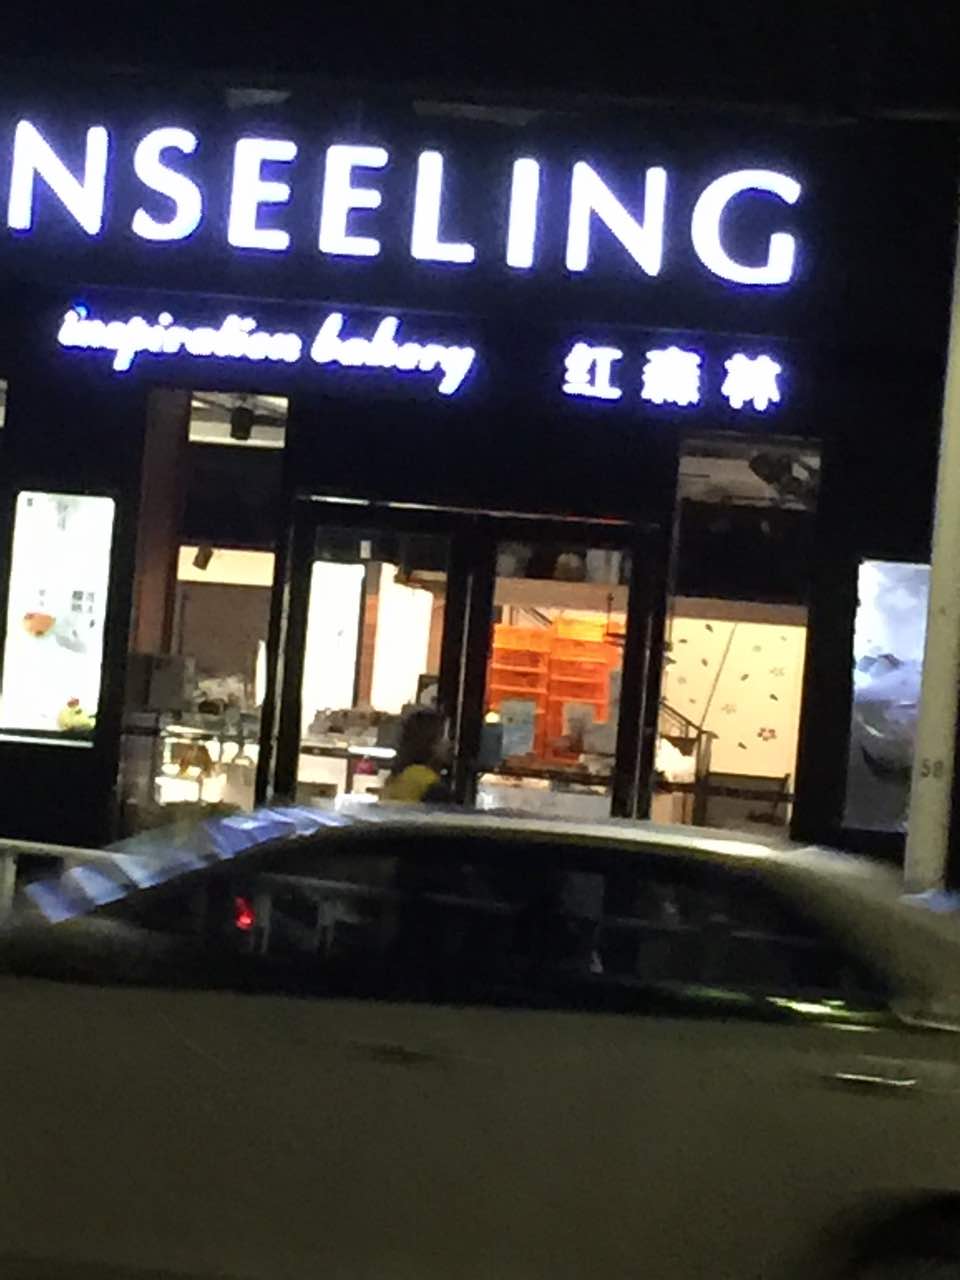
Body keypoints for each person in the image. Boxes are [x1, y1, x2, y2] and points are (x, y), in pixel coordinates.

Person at [381, 708, 451, 803]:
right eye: (445, 736)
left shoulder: (396, 776)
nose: (450, 743)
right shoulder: (428, 783)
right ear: (431, 742)